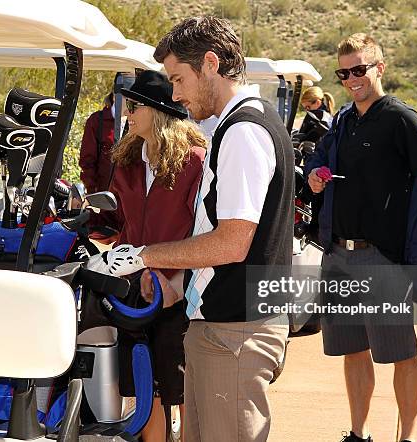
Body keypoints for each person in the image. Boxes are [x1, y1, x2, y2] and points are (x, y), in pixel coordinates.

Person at [88, 16, 294, 442]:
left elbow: (233, 242)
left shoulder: (244, 131)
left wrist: (144, 256)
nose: (175, 94)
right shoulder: (244, 124)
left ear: (211, 65)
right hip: (222, 325)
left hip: (236, 331)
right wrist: (176, 282)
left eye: (179, 79)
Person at [305, 33, 417, 442]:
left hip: (382, 258)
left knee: (401, 352)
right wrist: (316, 177)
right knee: (352, 349)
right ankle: (358, 433)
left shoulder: (400, 118)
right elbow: (319, 163)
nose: (352, 78)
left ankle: (407, 438)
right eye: (344, 72)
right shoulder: (344, 120)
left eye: (360, 70)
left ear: (379, 68)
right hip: (338, 254)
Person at [90, 70, 206, 442]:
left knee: (183, 388)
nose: (127, 112)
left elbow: (200, 232)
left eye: (134, 105)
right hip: (134, 295)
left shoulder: (195, 163)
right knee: (146, 389)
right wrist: (76, 210)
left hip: (178, 295)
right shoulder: (125, 162)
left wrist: (174, 279)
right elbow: (111, 220)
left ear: (157, 110)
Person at [79, 88, 115, 194]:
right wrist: (93, 193)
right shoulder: (96, 121)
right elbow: (87, 160)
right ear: (114, 95)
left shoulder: (136, 121)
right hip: (102, 196)